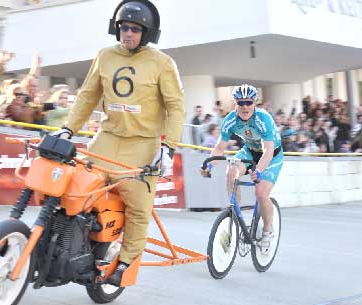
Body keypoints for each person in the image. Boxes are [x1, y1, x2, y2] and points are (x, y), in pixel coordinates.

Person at [51, 0, 184, 286]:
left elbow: (176, 107)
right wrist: (67, 130)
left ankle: (124, 262)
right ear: (116, 28)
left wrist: (169, 148)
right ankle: (72, 245)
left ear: (147, 33)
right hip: (107, 138)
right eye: (124, 27)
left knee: (138, 204)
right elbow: (87, 96)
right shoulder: (104, 56)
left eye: (136, 29)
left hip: (143, 142)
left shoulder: (162, 63)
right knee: (75, 190)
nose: (129, 33)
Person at [200, 84, 283, 254]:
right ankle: (237, 217)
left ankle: (268, 231)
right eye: (241, 103)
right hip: (250, 151)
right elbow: (219, 148)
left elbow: (268, 151)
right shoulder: (230, 120)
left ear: (254, 103)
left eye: (248, 102)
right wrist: (209, 164)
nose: (245, 106)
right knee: (231, 171)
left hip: (272, 155)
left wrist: (258, 171)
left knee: (260, 193)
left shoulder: (264, 118)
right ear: (235, 104)